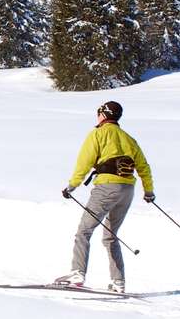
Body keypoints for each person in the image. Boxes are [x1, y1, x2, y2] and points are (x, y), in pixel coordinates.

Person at [57, 101, 154, 293]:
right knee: (110, 236)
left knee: (84, 231)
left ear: (103, 114)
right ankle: (118, 282)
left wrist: (72, 186)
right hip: (127, 190)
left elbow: (84, 162)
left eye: (98, 113)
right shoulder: (129, 139)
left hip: (106, 188)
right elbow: (144, 167)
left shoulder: (98, 133)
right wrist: (149, 191)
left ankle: (77, 273)